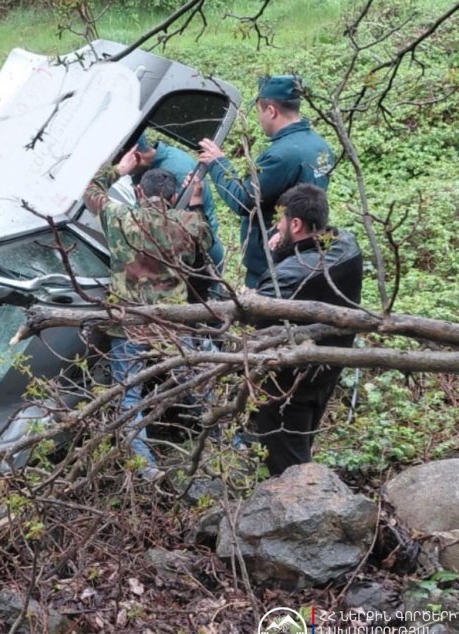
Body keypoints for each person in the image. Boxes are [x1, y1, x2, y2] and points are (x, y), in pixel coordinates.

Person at [84, 160, 212, 480]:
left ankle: (146, 469)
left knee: (129, 396)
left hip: (130, 324)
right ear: (173, 197)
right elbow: (207, 244)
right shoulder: (189, 223)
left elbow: (89, 190)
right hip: (172, 323)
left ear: (139, 192)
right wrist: (196, 202)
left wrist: (119, 169)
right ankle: (232, 444)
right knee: (198, 384)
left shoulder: (120, 217)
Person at [250, 183, 363, 476]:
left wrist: (253, 292)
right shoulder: (348, 246)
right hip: (328, 366)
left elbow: (256, 320)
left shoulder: (286, 276)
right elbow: (309, 261)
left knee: (288, 466)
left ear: (296, 224)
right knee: (301, 442)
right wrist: (286, 250)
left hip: (288, 383)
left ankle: (302, 499)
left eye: (281, 220)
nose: (277, 226)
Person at [198, 75, 335, 289]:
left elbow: (243, 200)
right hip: (305, 255)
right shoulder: (320, 146)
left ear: (271, 111)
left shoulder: (282, 155)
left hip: (272, 265)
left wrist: (218, 163)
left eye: (259, 112)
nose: (260, 119)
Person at [110, 133, 224, 273]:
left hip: (200, 256)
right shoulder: (153, 165)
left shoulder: (176, 171)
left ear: (137, 157)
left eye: (123, 164)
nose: (125, 170)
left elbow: (186, 230)